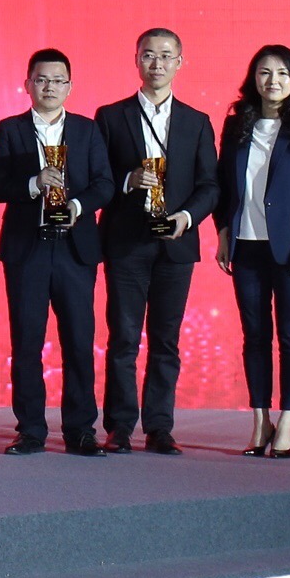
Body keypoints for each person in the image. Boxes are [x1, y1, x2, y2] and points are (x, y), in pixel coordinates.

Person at [93, 28, 221, 455]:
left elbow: (210, 185)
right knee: (124, 338)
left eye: (166, 56)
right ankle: (120, 427)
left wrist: (186, 217)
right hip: (126, 242)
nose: (157, 64)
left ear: (180, 63)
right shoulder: (111, 116)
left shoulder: (197, 122)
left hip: (176, 244)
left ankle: (160, 427)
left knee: (166, 341)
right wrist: (128, 180)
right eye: (149, 55)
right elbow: (97, 179)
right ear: (136, 60)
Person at [0, 49, 117, 456]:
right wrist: (33, 183)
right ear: (27, 85)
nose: (49, 87)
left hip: (75, 249)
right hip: (28, 249)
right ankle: (30, 430)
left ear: (70, 87)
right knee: (27, 343)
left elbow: (104, 184)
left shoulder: (87, 130)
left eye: (58, 80)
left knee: (79, 341)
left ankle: (81, 430)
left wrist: (76, 206)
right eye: (41, 79)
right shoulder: (10, 129)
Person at [217, 45, 290, 460]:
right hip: (246, 245)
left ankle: (288, 420)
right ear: (254, 78)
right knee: (254, 335)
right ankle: (259, 420)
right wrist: (223, 232)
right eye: (265, 72)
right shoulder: (236, 124)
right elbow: (224, 185)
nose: (273, 81)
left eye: (282, 73)